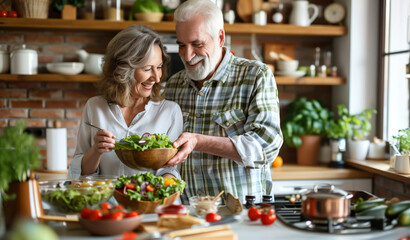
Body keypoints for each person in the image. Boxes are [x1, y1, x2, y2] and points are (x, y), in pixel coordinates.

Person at [164, 0, 283, 204]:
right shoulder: (174, 85)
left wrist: (198, 142)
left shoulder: (255, 75)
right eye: (181, 45)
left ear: (220, 38)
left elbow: (267, 145)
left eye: (197, 44)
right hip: (187, 212)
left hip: (242, 212)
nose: (187, 55)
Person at [69, 25, 183, 179]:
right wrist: (96, 150)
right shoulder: (95, 107)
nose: (157, 78)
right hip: (107, 202)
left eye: (159, 67)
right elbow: (78, 172)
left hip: (150, 201)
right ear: (124, 69)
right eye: (148, 69)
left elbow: (171, 169)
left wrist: (158, 188)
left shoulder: (169, 111)